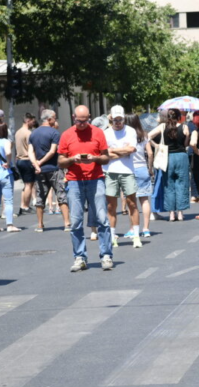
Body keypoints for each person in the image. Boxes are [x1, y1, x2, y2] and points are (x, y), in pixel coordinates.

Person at [58, 105, 113, 272]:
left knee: (102, 218)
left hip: (96, 179)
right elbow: (60, 161)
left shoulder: (98, 132)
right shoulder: (67, 135)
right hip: (74, 181)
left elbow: (106, 158)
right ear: (74, 117)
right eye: (78, 121)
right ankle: (80, 257)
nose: (81, 124)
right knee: (75, 222)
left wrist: (94, 158)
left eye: (85, 120)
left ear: (89, 117)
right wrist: (72, 160)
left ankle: (106, 255)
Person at [103, 106, 141, 249]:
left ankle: (136, 236)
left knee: (132, 204)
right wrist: (121, 151)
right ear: (111, 118)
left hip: (127, 171)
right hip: (110, 171)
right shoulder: (106, 133)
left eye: (120, 119)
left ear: (124, 118)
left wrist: (113, 150)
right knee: (111, 206)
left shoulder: (130, 131)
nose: (118, 122)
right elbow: (105, 154)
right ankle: (112, 237)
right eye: (115, 119)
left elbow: (131, 149)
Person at [29, 110, 70, 233]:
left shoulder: (33, 133)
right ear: (50, 119)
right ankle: (67, 223)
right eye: (55, 118)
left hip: (40, 171)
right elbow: (52, 151)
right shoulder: (54, 133)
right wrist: (40, 163)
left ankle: (40, 225)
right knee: (61, 195)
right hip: (54, 168)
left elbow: (30, 152)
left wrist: (36, 164)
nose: (55, 121)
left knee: (40, 196)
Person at [148, 109, 190, 221]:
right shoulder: (184, 127)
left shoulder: (162, 127)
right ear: (179, 117)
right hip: (181, 157)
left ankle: (171, 214)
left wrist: (157, 145)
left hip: (168, 157)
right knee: (182, 184)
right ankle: (180, 213)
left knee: (168, 185)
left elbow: (148, 136)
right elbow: (186, 144)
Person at [124, 114, 153, 238]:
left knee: (131, 201)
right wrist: (150, 168)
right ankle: (146, 229)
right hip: (142, 168)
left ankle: (132, 229)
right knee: (144, 200)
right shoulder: (144, 135)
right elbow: (150, 153)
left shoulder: (125, 136)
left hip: (129, 168)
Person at [0, 123, 20, 233]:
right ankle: (9, 225)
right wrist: (8, 162)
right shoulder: (6, 142)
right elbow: (8, 152)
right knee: (8, 200)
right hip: (5, 174)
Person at [14, 113, 37, 215]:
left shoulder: (18, 132)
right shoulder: (28, 133)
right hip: (27, 160)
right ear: (28, 121)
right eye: (32, 121)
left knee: (25, 184)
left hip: (19, 160)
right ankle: (25, 207)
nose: (34, 123)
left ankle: (23, 205)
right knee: (29, 185)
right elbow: (31, 148)